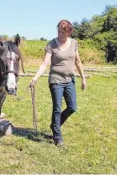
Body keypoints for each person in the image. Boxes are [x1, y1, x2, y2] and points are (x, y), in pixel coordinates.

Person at [29, 19, 86, 147]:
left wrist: (83, 78)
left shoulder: (74, 44)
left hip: (69, 80)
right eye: (59, 31)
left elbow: (78, 62)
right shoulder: (51, 45)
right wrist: (35, 78)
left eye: (63, 32)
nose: (60, 34)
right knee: (57, 108)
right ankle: (58, 138)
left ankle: (55, 125)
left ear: (69, 32)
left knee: (72, 107)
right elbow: (45, 63)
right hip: (55, 80)